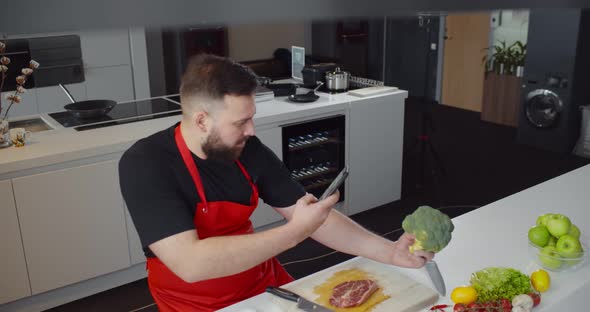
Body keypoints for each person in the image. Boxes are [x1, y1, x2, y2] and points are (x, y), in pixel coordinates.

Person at [118, 54, 434, 311]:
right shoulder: (146, 163)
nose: (252, 130)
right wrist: (296, 232)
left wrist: (389, 252)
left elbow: (309, 215)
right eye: (241, 121)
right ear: (202, 120)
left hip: (260, 284)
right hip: (193, 302)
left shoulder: (246, 149)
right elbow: (191, 263)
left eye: (252, 117)